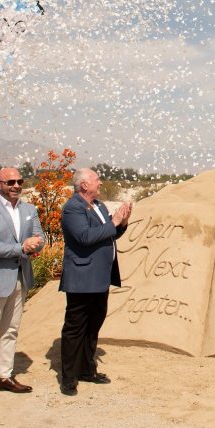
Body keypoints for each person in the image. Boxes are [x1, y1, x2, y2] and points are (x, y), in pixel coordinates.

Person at [0, 166, 46, 404]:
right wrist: (21, 248)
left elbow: (39, 238)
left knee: (11, 330)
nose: (16, 186)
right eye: (10, 182)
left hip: (20, 276)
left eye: (19, 181)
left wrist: (36, 244)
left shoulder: (29, 209)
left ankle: (4, 375)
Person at [58, 167, 131, 395]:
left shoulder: (98, 206)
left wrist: (122, 222)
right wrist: (114, 221)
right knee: (75, 328)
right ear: (84, 185)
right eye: (96, 180)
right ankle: (69, 377)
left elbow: (107, 233)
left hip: (100, 277)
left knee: (93, 326)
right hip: (82, 278)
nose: (100, 183)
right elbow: (85, 237)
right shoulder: (73, 209)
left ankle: (87, 370)